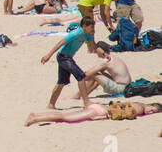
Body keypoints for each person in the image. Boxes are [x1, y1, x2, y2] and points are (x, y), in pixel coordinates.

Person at [41, 16, 95, 109]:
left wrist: (102, 52)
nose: (93, 29)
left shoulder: (88, 34)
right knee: (81, 76)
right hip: (63, 57)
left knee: (61, 82)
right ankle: (86, 102)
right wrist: (48, 55)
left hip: (68, 58)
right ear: (84, 26)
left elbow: (92, 47)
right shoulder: (75, 33)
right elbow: (60, 43)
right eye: (91, 27)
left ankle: (51, 105)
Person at [26, 100, 161, 126]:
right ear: (149, 104)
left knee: (65, 117)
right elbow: (120, 113)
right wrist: (103, 117)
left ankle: (37, 116)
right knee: (65, 117)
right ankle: (34, 119)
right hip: (100, 111)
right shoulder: (138, 109)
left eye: (152, 113)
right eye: (152, 109)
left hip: (99, 108)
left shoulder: (137, 104)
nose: (149, 112)